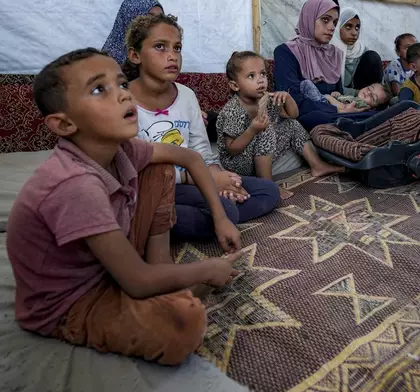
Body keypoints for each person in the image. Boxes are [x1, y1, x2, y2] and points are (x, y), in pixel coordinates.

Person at [6, 48, 242, 365]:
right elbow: (136, 281)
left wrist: (219, 218)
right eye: (99, 89)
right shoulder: (75, 185)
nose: (122, 96)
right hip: (71, 302)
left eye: (120, 84)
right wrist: (208, 269)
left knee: (160, 167)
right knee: (183, 322)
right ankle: (164, 285)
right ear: (63, 125)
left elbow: (188, 157)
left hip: (107, 266)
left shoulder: (124, 149)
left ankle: (162, 268)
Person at [125, 14, 280, 240]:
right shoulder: (122, 101)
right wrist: (201, 180)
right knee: (225, 210)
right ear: (135, 55)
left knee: (268, 191)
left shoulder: (186, 96)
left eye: (177, 48)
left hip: (194, 181)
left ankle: (172, 222)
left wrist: (218, 177)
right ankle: (163, 221)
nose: (172, 56)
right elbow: (135, 167)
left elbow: (202, 150)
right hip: (153, 190)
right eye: (160, 47)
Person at [217, 51, 344, 200]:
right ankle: (267, 183)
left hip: (256, 154)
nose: (260, 80)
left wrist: (288, 98)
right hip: (237, 163)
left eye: (263, 74)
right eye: (251, 76)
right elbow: (231, 149)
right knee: (265, 129)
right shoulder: (233, 110)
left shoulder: (266, 99)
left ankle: (317, 165)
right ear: (235, 85)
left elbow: (293, 115)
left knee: (291, 124)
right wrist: (253, 129)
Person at [273, 0, 374, 132]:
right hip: (307, 115)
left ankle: (364, 123)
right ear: (309, 18)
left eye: (334, 22)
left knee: (374, 112)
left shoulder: (334, 54)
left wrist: (345, 105)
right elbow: (291, 101)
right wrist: (337, 109)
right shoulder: (286, 51)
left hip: (338, 114)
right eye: (325, 20)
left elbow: (339, 94)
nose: (332, 27)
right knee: (318, 117)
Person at [330, 8, 383, 96]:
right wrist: (357, 93)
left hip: (365, 92)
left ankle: (374, 98)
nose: (354, 33)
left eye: (357, 28)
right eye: (348, 27)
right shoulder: (329, 49)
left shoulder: (361, 49)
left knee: (373, 56)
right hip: (337, 92)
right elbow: (329, 87)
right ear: (338, 27)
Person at [102, 0, 164, 74]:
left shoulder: (162, 52)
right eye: (150, 18)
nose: (158, 23)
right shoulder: (107, 63)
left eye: (161, 18)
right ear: (131, 19)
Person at [300, 80, 390, 110]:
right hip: (325, 103)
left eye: (373, 97)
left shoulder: (361, 105)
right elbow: (343, 101)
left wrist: (330, 97)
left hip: (324, 105)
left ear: (374, 108)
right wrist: (337, 96)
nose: (368, 93)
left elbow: (343, 108)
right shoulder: (355, 99)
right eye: (369, 89)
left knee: (306, 83)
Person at [383, 33, 417, 98]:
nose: (413, 50)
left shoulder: (416, 66)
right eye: (407, 48)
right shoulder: (394, 65)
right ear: (398, 52)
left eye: (415, 47)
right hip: (393, 99)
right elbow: (397, 92)